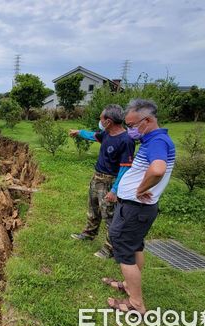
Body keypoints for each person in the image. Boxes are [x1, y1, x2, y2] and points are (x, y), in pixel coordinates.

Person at [103, 99, 175, 314]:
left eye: (132, 126)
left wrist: (139, 189)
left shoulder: (157, 142)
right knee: (135, 246)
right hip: (137, 209)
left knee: (124, 249)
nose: (129, 130)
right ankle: (128, 285)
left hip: (135, 208)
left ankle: (136, 304)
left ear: (147, 121)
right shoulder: (154, 140)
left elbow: (157, 170)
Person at [69, 104, 135, 259]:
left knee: (110, 215)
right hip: (97, 177)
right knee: (93, 209)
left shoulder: (126, 140)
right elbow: (93, 135)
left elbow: (125, 168)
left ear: (109, 121)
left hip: (110, 181)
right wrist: (79, 132)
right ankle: (88, 234)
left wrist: (114, 190)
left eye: (101, 118)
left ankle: (109, 248)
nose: (100, 121)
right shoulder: (106, 134)